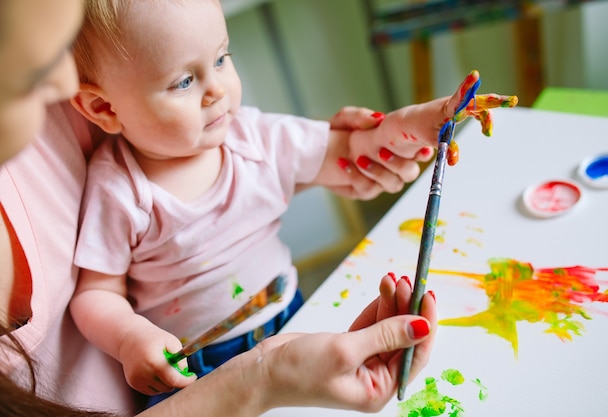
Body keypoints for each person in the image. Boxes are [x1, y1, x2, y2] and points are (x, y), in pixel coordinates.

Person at [66, 0, 516, 405]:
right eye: (184, 81)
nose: (218, 89)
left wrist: (430, 119)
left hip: (293, 322)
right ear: (104, 109)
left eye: (222, 58)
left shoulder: (257, 138)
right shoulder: (119, 190)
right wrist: (130, 341)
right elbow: (95, 294)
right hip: (193, 372)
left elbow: (355, 147)